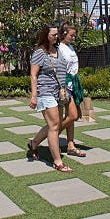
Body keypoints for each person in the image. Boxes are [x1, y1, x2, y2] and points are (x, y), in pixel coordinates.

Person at [27, 25, 74, 173]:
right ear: (46, 35)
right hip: (45, 92)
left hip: (58, 93)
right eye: (53, 34)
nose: (56, 37)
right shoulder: (40, 52)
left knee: (54, 124)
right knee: (54, 125)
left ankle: (34, 143)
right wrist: (34, 96)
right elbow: (33, 75)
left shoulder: (58, 50)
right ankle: (57, 161)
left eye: (57, 35)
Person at [58, 24, 86, 157]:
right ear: (63, 34)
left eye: (75, 35)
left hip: (73, 82)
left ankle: (70, 144)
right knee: (73, 115)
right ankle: (51, 133)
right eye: (71, 35)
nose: (73, 38)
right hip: (65, 83)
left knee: (71, 116)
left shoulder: (70, 47)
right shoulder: (60, 48)